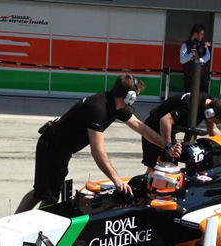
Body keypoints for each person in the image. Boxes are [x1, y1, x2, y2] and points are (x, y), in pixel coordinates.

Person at [16, 74, 177, 213]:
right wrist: (116, 180)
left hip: (62, 150)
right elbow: (97, 151)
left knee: (49, 194)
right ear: (129, 96)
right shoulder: (98, 108)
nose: (137, 98)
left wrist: (167, 145)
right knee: (45, 194)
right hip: (51, 146)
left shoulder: (118, 107)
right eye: (137, 94)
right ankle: (20, 224)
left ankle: (31, 224)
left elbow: (142, 128)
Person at [141, 92, 221, 170]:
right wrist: (168, 146)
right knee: (157, 167)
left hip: (168, 129)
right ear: (210, 113)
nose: (214, 123)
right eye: (215, 121)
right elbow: (165, 121)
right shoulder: (189, 107)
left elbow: (213, 129)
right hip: (153, 128)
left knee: (170, 165)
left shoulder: (207, 103)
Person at [180, 24, 211, 93]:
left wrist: (200, 61)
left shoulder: (204, 44)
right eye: (201, 34)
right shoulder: (185, 44)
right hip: (190, 76)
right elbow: (182, 60)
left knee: (202, 96)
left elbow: (208, 56)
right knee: (189, 96)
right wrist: (191, 54)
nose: (203, 36)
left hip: (202, 76)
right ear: (195, 34)